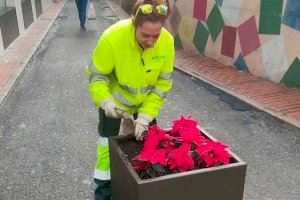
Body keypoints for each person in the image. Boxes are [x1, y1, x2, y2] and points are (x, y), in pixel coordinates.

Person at [86, 0, 174, 199]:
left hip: (144, 106)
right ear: (134, 23)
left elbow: (162, 85)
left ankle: (143, 192)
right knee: (108, 150)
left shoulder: (167, 42)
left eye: (156, 35)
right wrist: (106, 102)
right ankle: (104, 193)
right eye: (145, 35)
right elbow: (97, 76)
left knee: (149, 150)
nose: (151, 41)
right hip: (114, 107)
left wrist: (145, 116)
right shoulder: (112, 37)